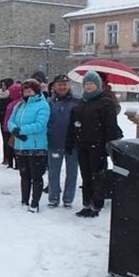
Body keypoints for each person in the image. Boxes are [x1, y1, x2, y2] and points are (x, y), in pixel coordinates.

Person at [66, 70, 123, 218]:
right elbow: (73, 124)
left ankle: (96, 204)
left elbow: (110, 126)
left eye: (91, 83)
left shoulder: (105, 102)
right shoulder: (81, 102)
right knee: (86, 176)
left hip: (98, 145)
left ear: (97, 85)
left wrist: (109, 145)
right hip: (82, 144)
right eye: (86, 84)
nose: (89, 86)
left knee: (97, 176)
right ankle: (86, 203)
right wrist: (70, 141)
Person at [7, 78, 50, 212]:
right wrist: (14, 129)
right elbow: (11, 120)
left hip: (36, 146)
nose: (28, 92)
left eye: (30, 90)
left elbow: (40, 124)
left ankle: (34, 202)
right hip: (21, 146)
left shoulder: (43, 105)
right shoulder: (19, 105)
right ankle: (24, 200)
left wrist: (21, 130)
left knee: (36, 176)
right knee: (24, 175)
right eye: (25, 90)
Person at [46, 73, 80, 208]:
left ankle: (68, 199)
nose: (62, 87)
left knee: (72, 173)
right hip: (54, 142)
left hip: (72, 143)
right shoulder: (49, 103)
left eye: (65, 84)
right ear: (54, 87)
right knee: (54, 173)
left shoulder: (77, 102)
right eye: (59, 84)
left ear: (69, 85)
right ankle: (53, 198)